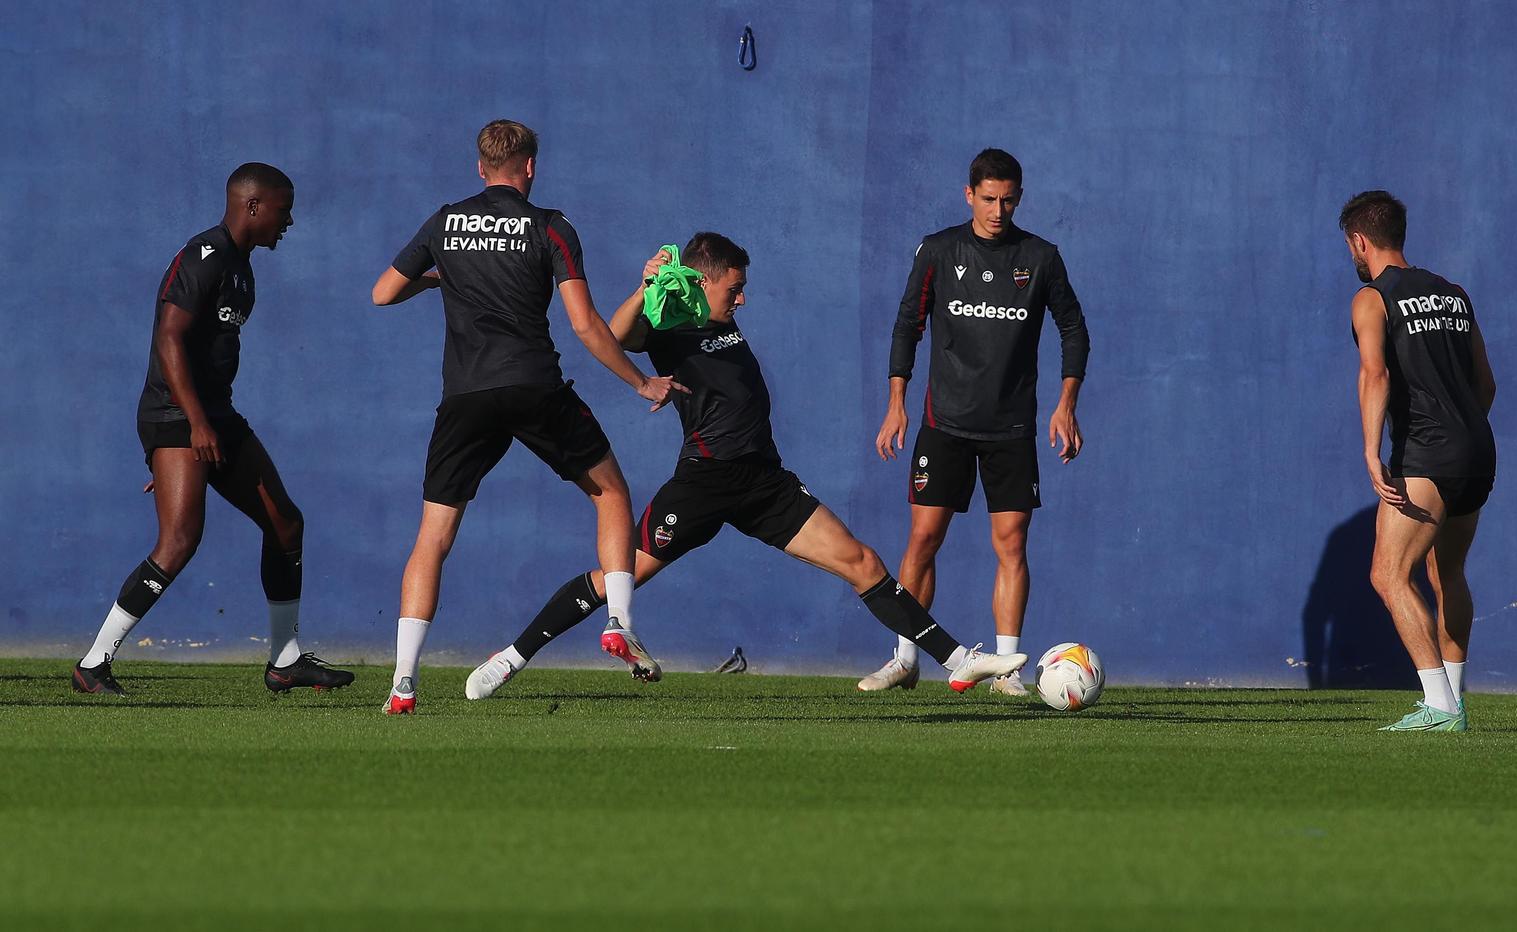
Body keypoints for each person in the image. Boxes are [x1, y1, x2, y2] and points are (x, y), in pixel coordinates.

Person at [464, 234, 1027, 698]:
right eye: (735, 288)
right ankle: (511, 658)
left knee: (862, 560)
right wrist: (646, 285)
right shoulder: (672, 322)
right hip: (705, 483)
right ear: (703, 280)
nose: (742, 299)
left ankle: (958, 658)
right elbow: (616, 335)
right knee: (618, 580)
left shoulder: (722, 322)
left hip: (764, 481)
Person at [369, 120, 681, 714]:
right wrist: (642, 381)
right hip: (534, 386)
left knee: (433, 537)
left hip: (464, 397)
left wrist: (442, 276)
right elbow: (586, 324)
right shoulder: (551, 228)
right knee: (611, 492)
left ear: (479, 168)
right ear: (530, 168)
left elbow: (384, 292)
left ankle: (402, 686)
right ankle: (617, 622)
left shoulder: (445, 222)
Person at [74, 162, 354, 697]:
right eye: (283, 208)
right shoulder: (204, 256)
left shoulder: (243, 267)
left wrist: (207, 424)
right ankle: (93, 664)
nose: (289, 220)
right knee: (179, 541)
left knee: (286, 523)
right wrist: (192, 428)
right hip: (180, 416)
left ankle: (285, 660)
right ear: (253, 206)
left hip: (215, 416)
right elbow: (170, 338)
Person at [860, 148, 1090, 695]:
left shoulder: (1041, 257)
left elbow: (1074, 330)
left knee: (1011, 543)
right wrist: (897, 402)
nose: (998, 209)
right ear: (970, 195)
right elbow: (906, 325)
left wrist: (1066, 404)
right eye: (988, 198)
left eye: (1008, 199)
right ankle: (906, 657)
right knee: (922, 539)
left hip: (1010, 427)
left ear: (1020, 197)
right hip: (944, 424)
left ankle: (1006, 670)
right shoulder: (940, 251)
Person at [1342, 190, 1496, 732]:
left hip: (1428, 453)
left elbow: (1374, 374)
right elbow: (1486, 384)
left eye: (1350, 246)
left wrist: (1370, 450)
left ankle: (1439, 705)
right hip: (1478, 449)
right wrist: (1461, 429)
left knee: (1388, 575)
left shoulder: (1372, 298)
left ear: (1360, 240)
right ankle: (1454, 700)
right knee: (1446, 571)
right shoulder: (1454, 294)